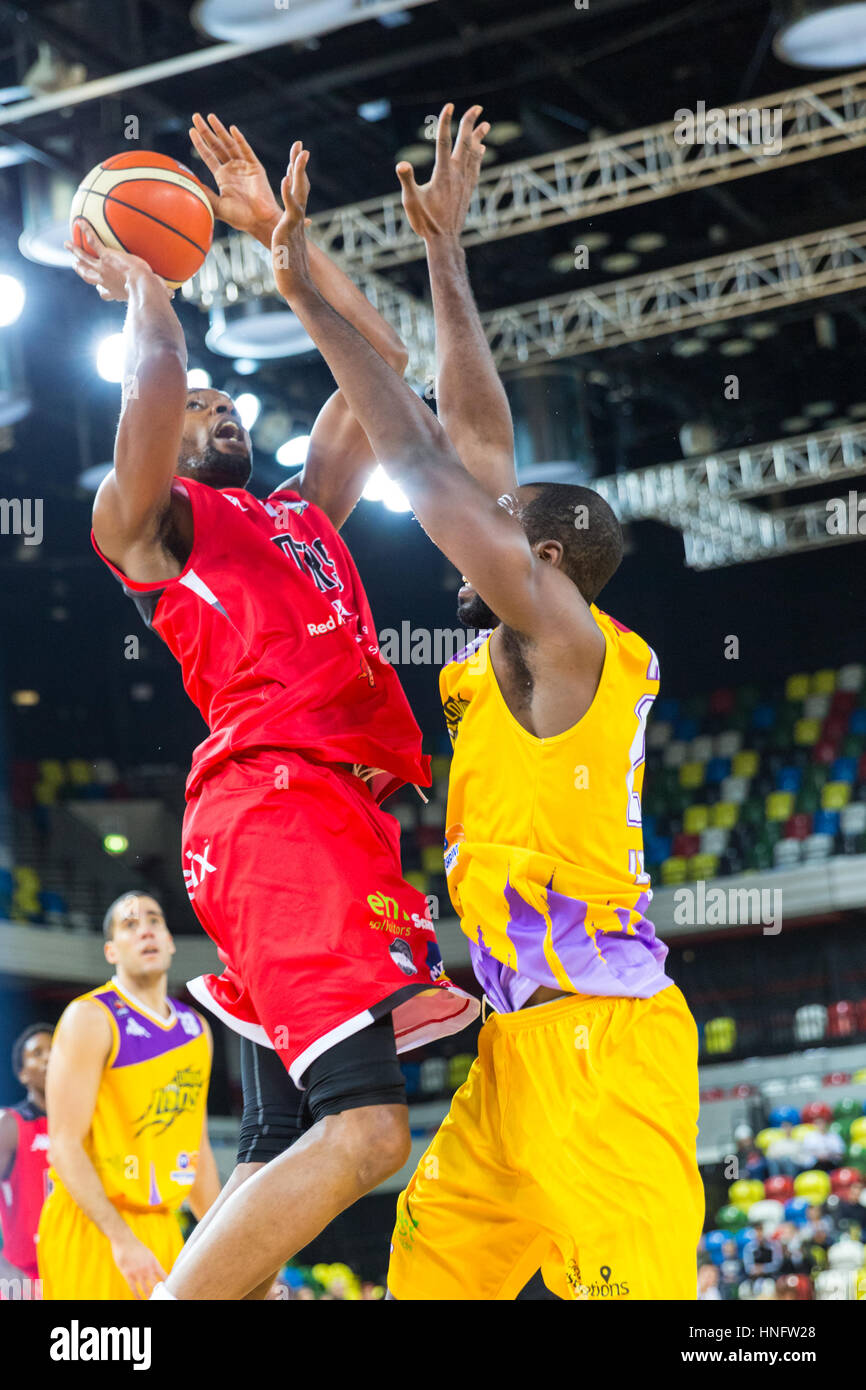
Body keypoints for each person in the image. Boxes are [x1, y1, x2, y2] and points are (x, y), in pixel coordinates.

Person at [278, 102, 702, 1300]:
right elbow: (470, 438)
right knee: (427, 1280)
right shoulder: (516, 641)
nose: (477, 528)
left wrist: (309, 291)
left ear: (548, 566)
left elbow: (420, 467)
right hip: (515, 1045)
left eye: (502, 529)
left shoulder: (572, 647)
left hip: (604, 1048)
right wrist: (446, 254)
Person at [69, 115, 475, 1301]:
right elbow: (147, 383)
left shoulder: (298, 512)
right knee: (366, 1138)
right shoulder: (147, 529)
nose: (217, 406)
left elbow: (380, 364)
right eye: (197, 407)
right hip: (273, 811)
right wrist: (147, 286)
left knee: (280, 1143)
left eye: (226, 398)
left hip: (336, 821)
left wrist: (281, 247)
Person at [36, 891, 220, 1299]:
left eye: (154, 921)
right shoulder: (89, 1017)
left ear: (171, 942)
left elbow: (199, 1155)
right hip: (94, 1224)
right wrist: (121, 1240)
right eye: (130, 925)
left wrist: (232, 1248)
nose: (146, 932)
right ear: (111, 951)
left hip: (162, 1226)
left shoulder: (197, 1030)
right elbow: (63, 1146)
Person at [0, 1024, 52, 1298]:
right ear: (22, 1073)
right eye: (38, 1053)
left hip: (73, 1270)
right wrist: (3, 1271)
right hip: (23, 1279)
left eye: (55, 1051)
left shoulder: (86, 1128)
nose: (48, 1058)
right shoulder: (9, 1124)